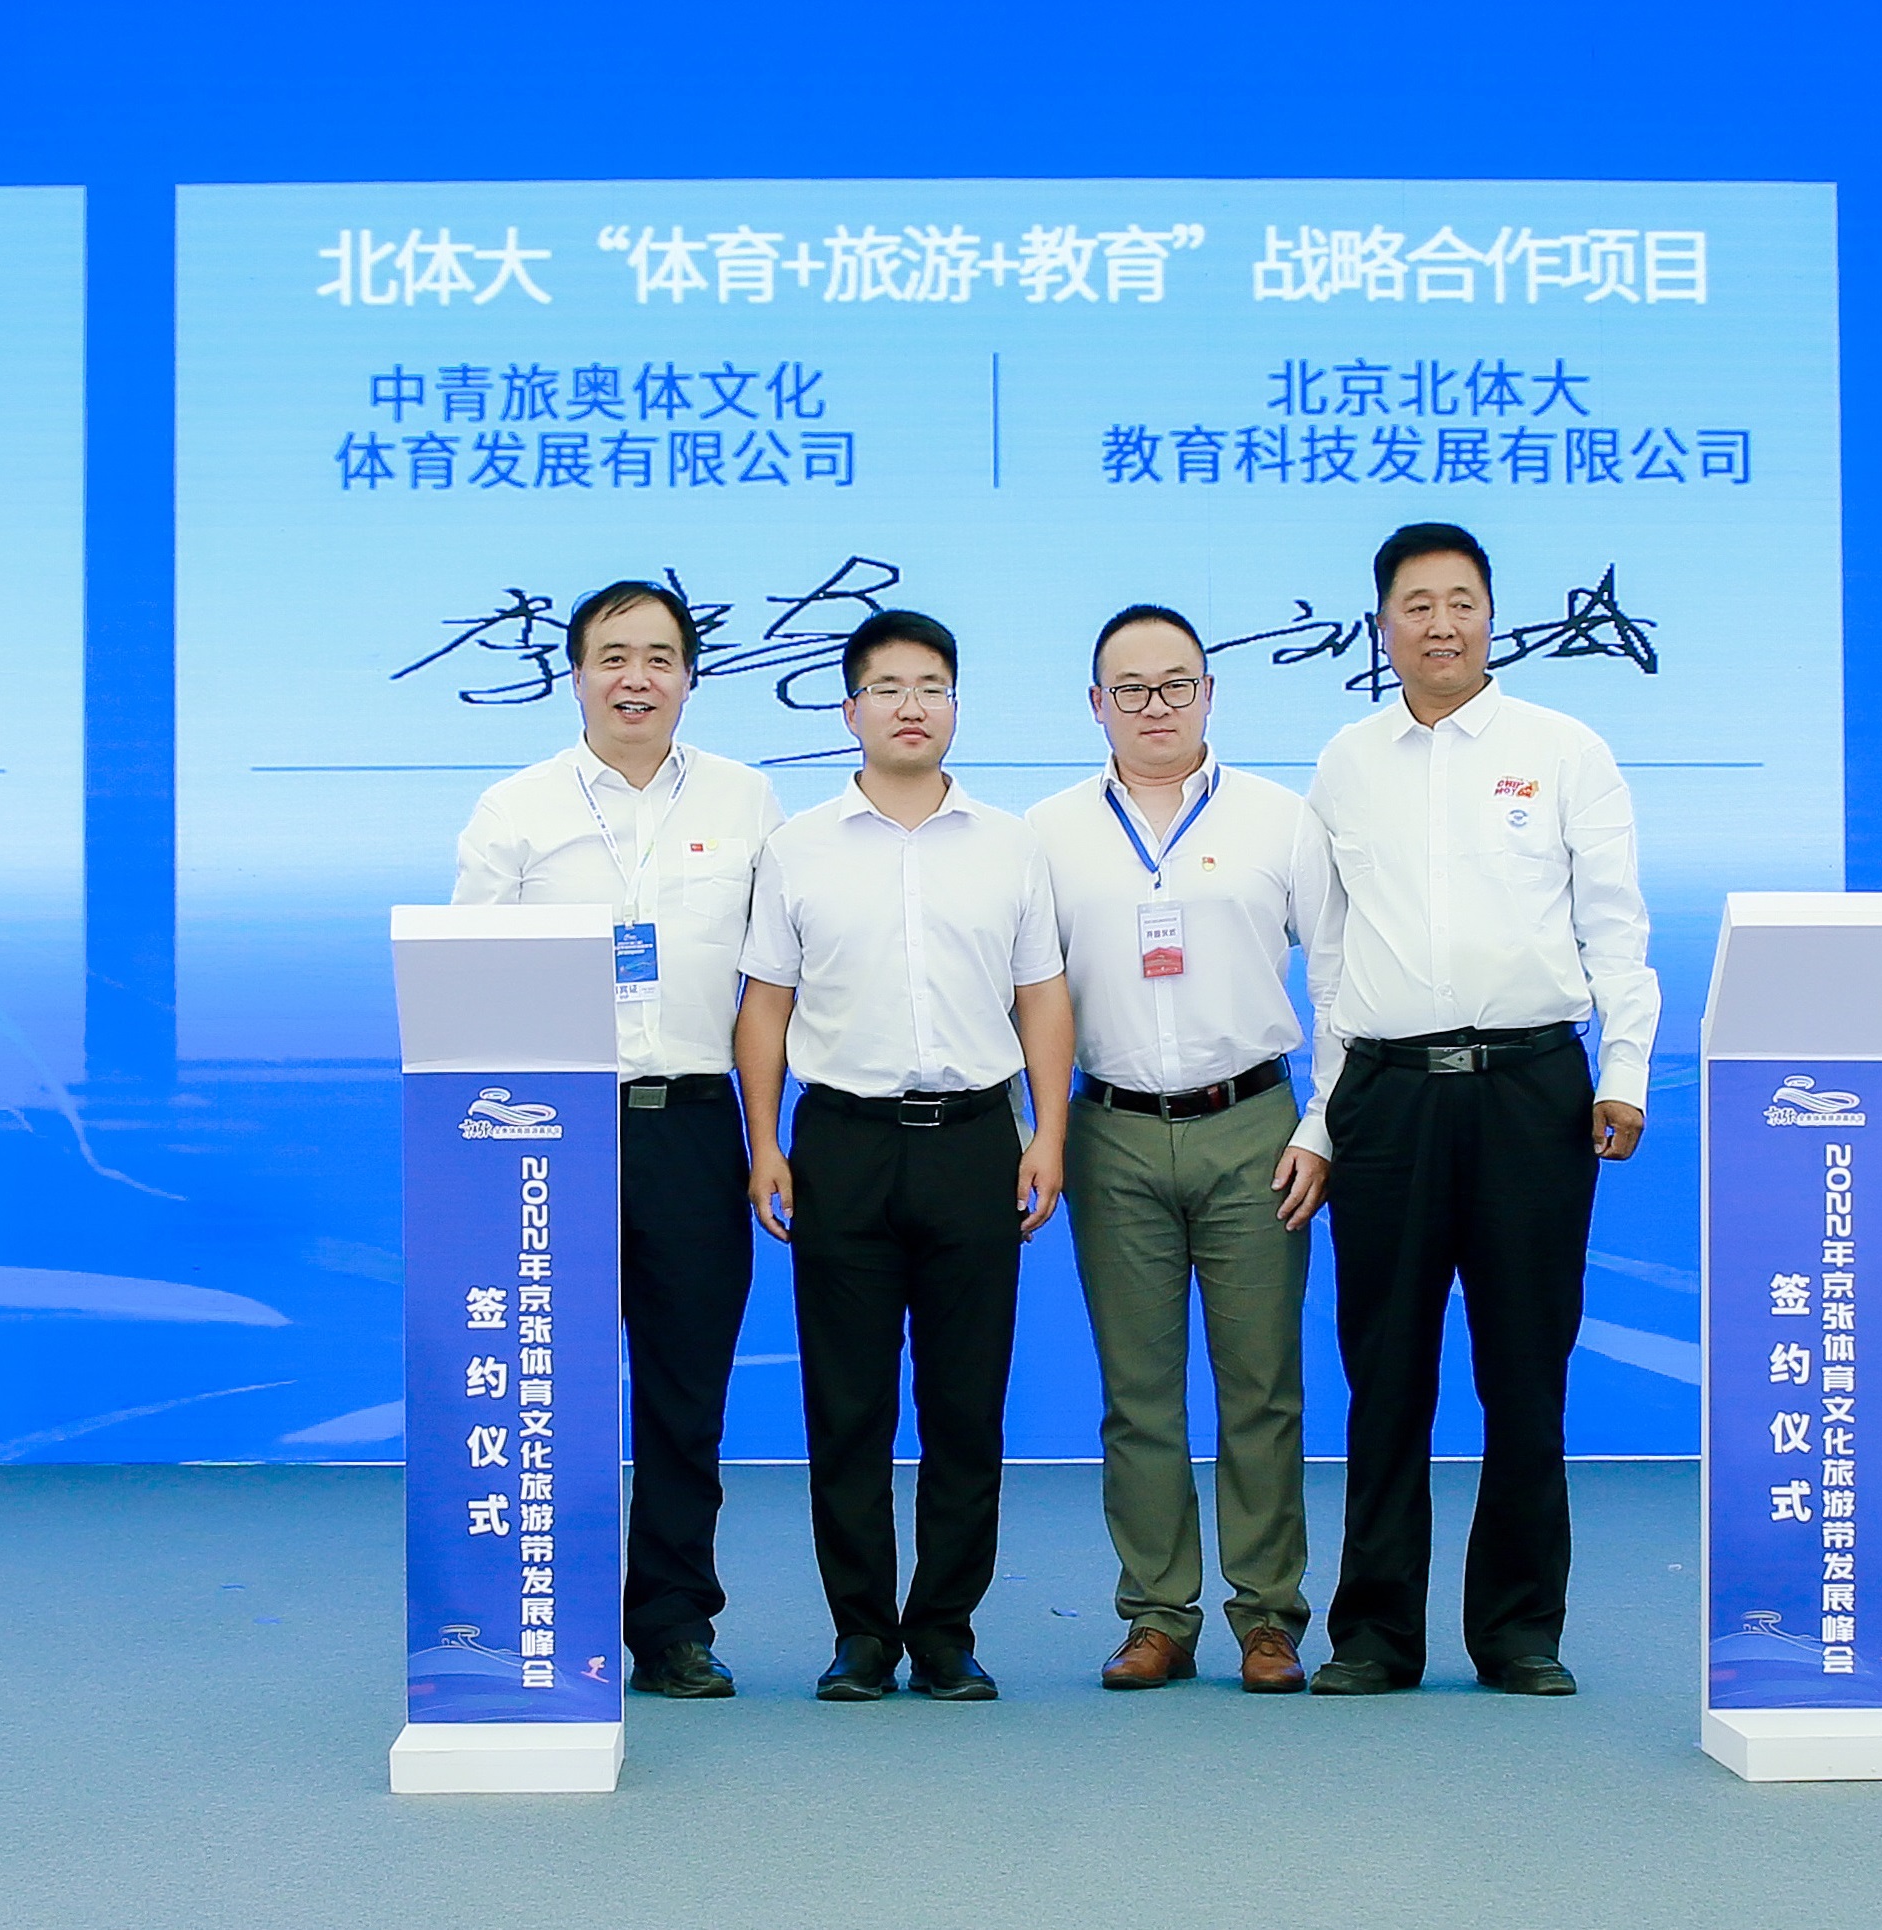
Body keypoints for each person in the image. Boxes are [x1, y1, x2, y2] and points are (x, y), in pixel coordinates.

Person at [1297, 523, 1658, 1697]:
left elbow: (1616, 925)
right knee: (1384, 1377)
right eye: (1417, 604)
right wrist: (1320, 1115)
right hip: (1388, 1099)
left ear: (1491, 617)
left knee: (1525, 1373)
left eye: (1460, 601)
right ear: (1382, 626)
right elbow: (1332, 961)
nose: (1440, 624)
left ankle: (1517, 1632)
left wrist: (1625, 1068)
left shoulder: (1563, 750)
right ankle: (1373, 1635)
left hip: (1531, 1094)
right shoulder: (1346, 762)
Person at [733, 608, 1075, 1703]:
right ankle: (860, 1636)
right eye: (886, 687)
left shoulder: (1010, 845)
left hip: (976, 1141)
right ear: (850, 711)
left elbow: (1042, 996)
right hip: (841, 1145)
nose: (910, 706)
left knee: (966, 1408)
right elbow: (764, 1005)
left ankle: (944, 1633)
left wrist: (1048, 1133)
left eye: (931, 685)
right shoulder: (796, 847)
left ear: (956, 705)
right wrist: (763, 1142)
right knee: (847, 1409)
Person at [448, 578, 781, 1701]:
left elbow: (776, 979)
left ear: (690, 676)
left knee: (687, 1396)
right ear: (576, 674)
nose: (636, 678)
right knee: (556, 1395)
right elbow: (467, 979)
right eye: (613, 657)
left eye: (658, 657)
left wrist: (767, 1136)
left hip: (692, 1123)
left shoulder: (747, 801)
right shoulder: (516, 808)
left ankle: (673, 1626)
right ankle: (552, 1623)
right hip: (555, 1131)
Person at [1024, 604, 1334, 1696]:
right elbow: (1025, 994)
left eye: (1175, 684)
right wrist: (1037, 1128)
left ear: (1209, 693)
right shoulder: (1046, 833)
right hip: (1109, 1130)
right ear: (1094, 703)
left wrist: (1321, 1124)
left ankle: (1267, 1618)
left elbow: (1340, 975)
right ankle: (1157, 1615)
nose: (1154, 706)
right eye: (1131, 688)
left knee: (1263, 1387)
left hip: (1255, 1126)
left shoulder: (1281, 819)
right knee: (1138, 1395)